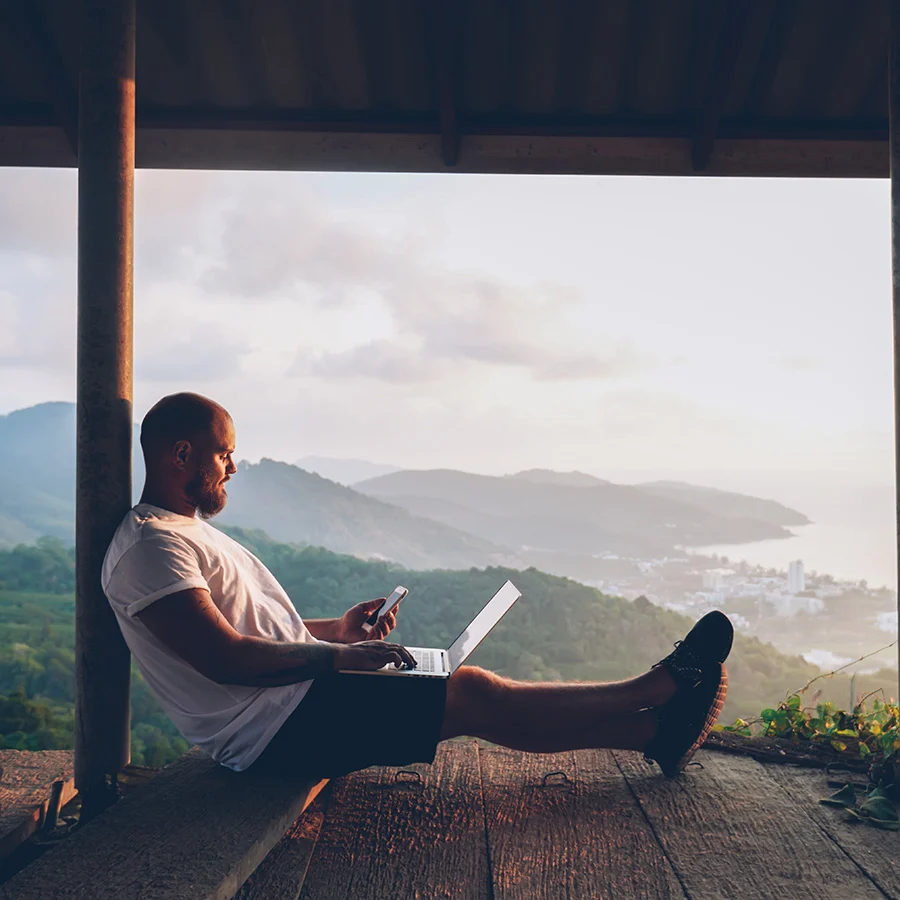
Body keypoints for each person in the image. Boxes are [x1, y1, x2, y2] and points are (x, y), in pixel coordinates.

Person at [102, 392, 734, 780]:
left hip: (290, 704)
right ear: (181, 454)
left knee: (465, 697)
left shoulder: (180, 531)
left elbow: (250, 633)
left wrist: (337, 633)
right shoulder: (152, 548)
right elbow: (223, 657)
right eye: (224, 454)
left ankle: (653, 732)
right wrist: (342, 659)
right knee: (470, 692)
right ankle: (656, 691)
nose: (234, 466)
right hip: (270, 733)